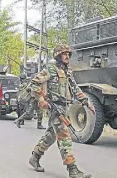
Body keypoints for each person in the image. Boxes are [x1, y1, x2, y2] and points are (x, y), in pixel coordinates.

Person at [28, 44, 93, 178]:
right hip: (54, 108)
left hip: (65, 108)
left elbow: (75, 88)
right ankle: (72, 169)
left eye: (69, 54)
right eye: (64, 54)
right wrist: (41, 100)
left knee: (51, 135)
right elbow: (33, 84)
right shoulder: (50, 69)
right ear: (58, 56)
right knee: (64, 137)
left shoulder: (67, 71)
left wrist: (85, 101)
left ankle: (35, 156)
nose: (67, 56)